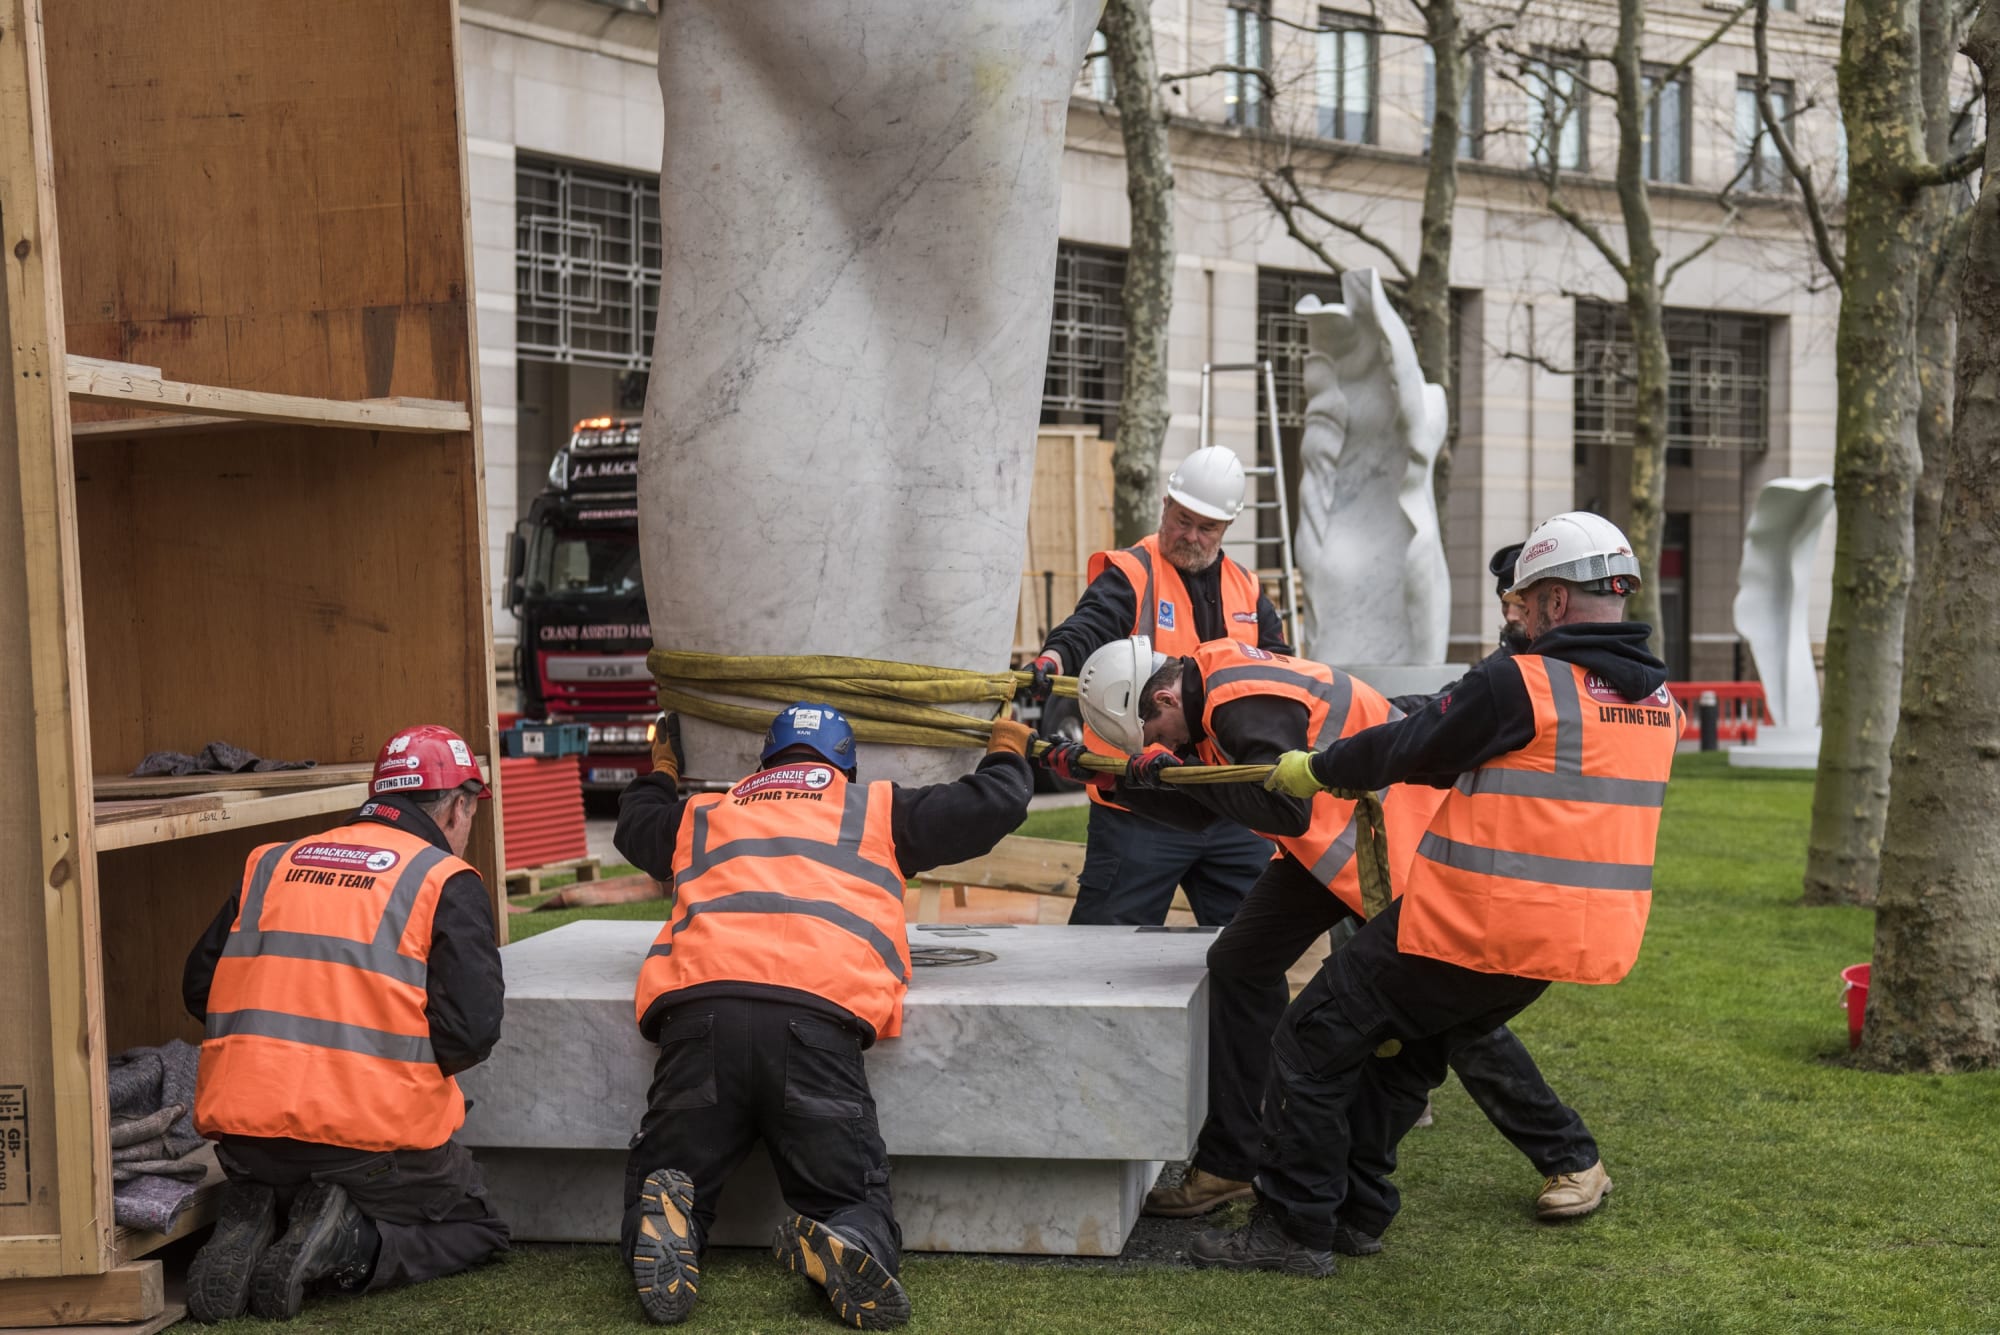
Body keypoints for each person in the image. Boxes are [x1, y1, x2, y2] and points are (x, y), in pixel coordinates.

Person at [1188, 512, 1682, 1276]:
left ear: (1553, 602)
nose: (1515, 615)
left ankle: (1292, 1230)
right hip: (1558, 950)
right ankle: (1356, 1213)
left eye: (1524, 602)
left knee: (1309, 1040)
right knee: (1402, 1060)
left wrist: (1318, 768)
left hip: (1468, 924)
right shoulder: (1659, 706)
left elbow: (1413, 747)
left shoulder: (1524, 683)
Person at [1051, 634, 1601, 1238]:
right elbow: (1210, 807)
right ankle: (1232, 1163)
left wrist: (1176, 772)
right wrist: (1114, 781)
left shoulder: (1238, 699)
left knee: (1447, 1018)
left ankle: (1570, 1157)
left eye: (1155, 732)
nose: (1161, 745)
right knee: (1239, 963)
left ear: (1160, 696)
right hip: (1335, 844)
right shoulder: (1204, 695)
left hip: (1391, 836)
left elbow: (1286, 810)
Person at [612, 703, 1033, 1328]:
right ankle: (851, 1237)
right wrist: (1007, 747)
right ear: (848, 764)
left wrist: (664, 768)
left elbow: (634, 822)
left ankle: (671, 1221)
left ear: (765, 762)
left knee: (673, 1173)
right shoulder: (876, 810)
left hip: (700, 1020)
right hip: (813, 1026)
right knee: (850, 1194)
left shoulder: (703, 816)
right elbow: (990, 804)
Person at [182, 726, 508, 1323]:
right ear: (459, 806)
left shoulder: (272, 864)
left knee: (291, 1173)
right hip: (370, 1150)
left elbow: (199, 989)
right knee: (477, 1224)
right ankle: (351, 1245)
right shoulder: (443, 880)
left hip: (247, 1147)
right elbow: (472, 1031)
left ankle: (268, 1211)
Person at [1023, 445, 1288, 927]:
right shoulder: (1132, 573)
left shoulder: (1248, 590)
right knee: (1105, 958)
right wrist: (1054, 656)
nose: (1189, 535)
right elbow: (1090, 624)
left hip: (1229, 807)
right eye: (1182, 519)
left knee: (1248, 961)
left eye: (1206, 527)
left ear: (1227, 528)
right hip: (1139, 808)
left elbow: (1280, 677)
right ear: (1165, 505)